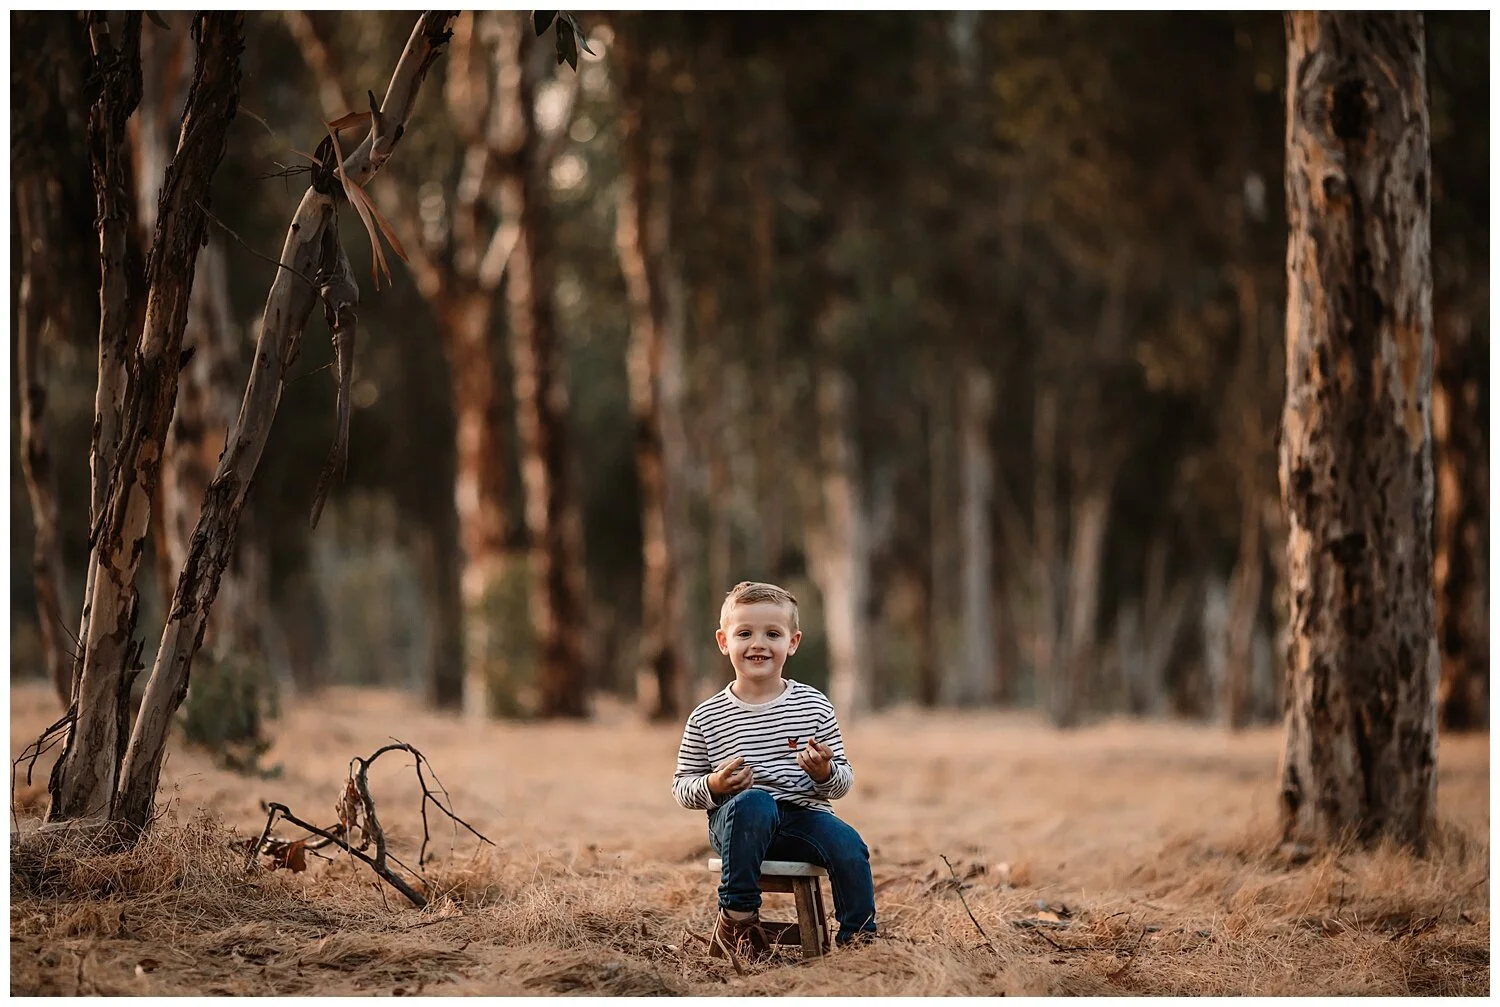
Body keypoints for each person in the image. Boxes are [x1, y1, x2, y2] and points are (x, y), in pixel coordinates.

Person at [672, 581, 877, 960]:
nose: (758, 644)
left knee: (849, 845)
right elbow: (682, 787)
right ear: (723, 641)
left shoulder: (814, 706)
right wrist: (714, 784)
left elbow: (843, 781)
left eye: (772, 634)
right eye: (744, 633)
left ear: (792, 642)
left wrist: (823, 773)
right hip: (737, 822)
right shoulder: (706, 716)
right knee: (756, 802)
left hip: (802, 818)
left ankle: (859, 940)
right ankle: (739, 917)